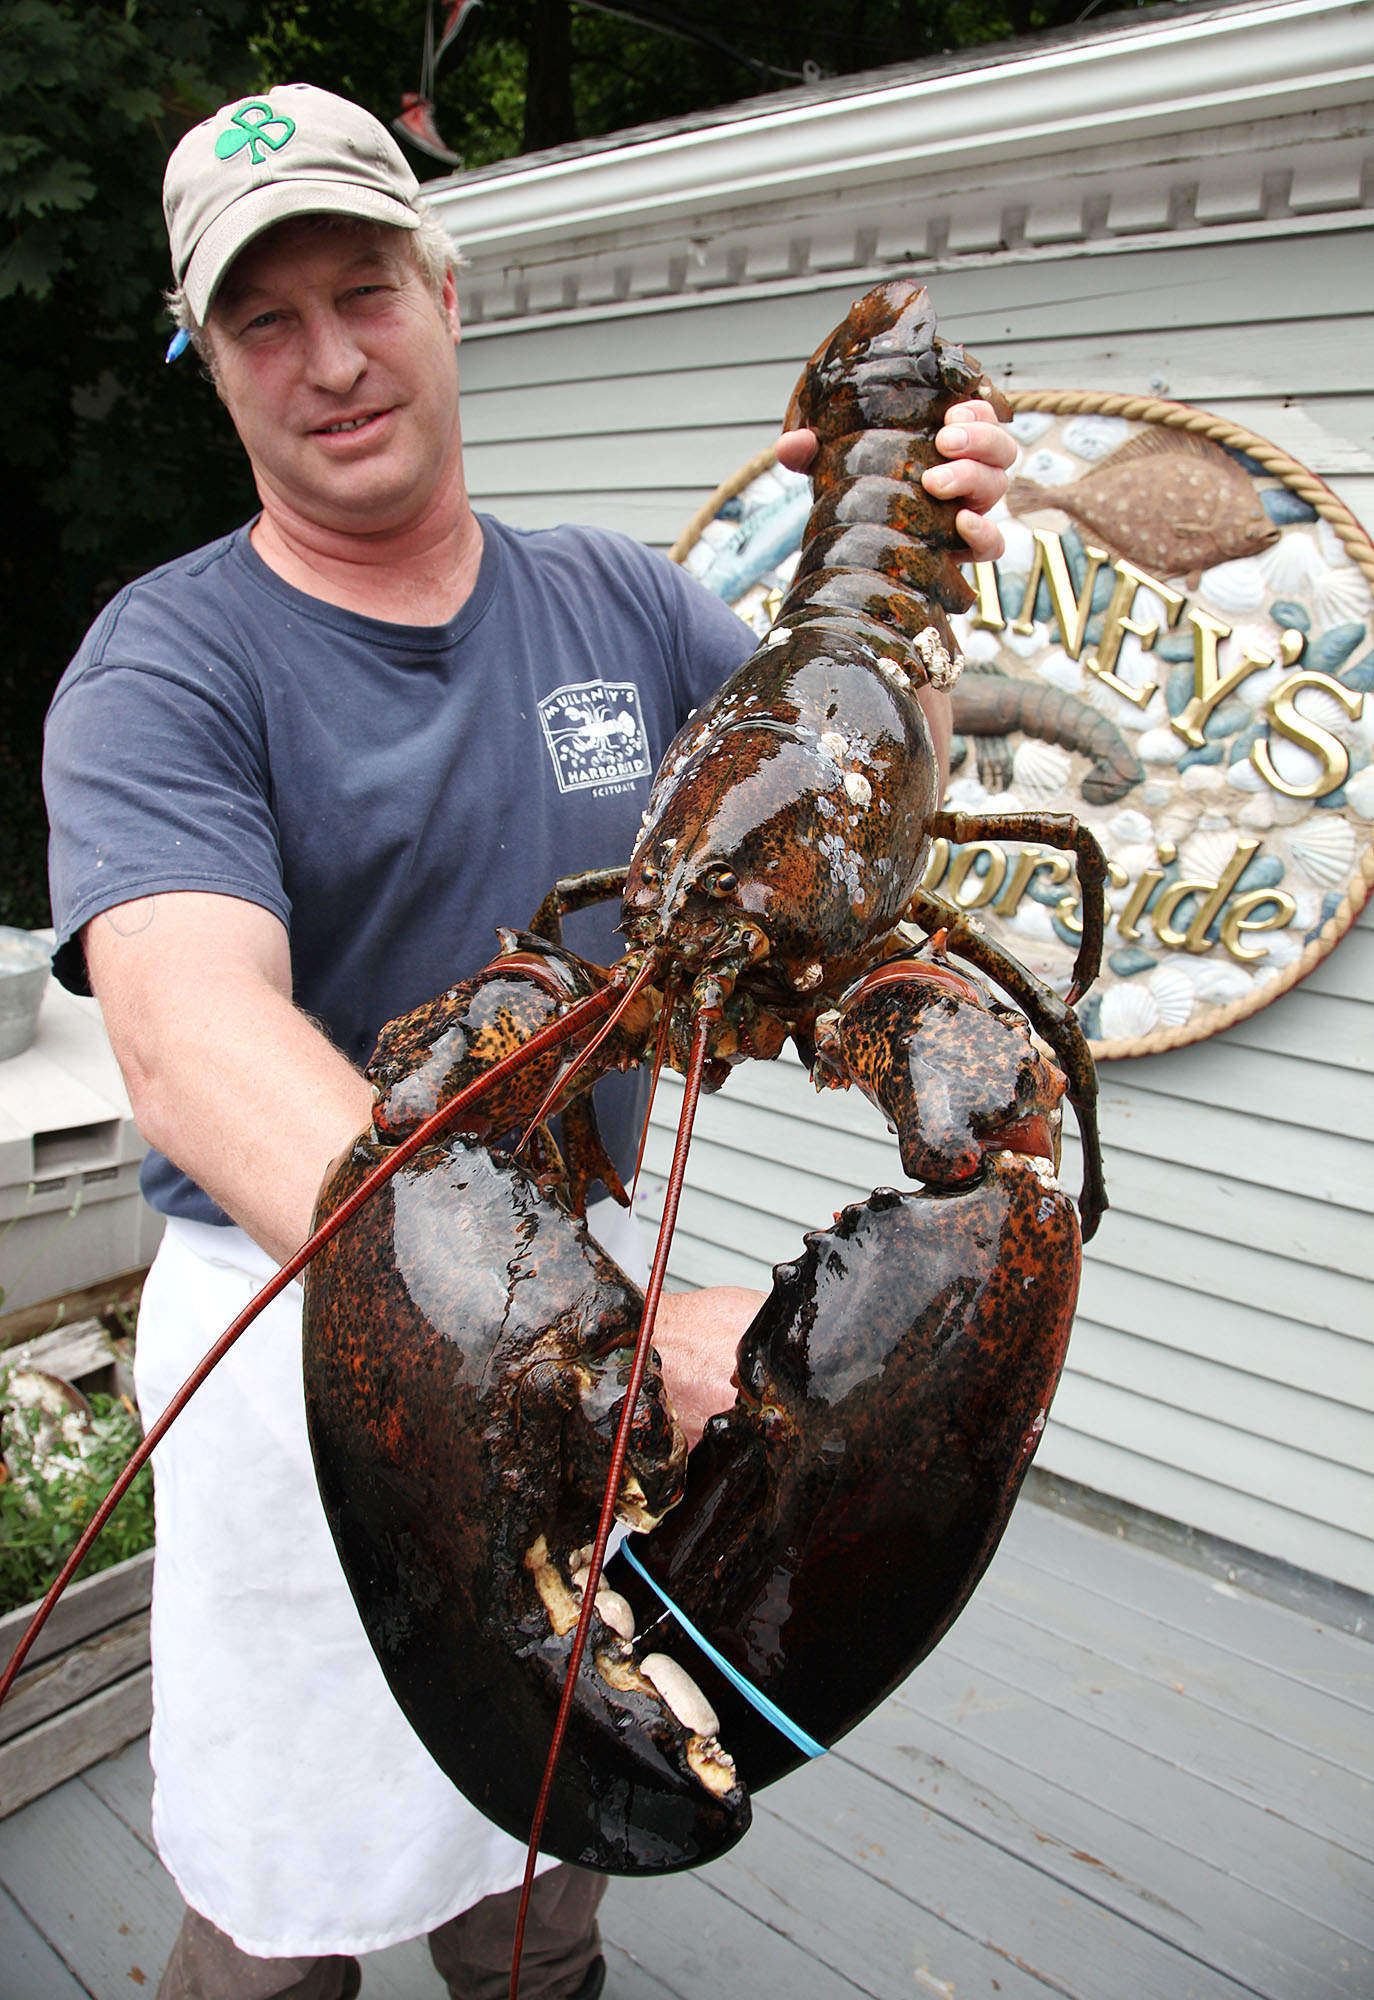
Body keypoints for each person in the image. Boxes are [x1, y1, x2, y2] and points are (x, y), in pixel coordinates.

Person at [42, 83, 1015, 2000]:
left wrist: (923, 536)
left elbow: (838, 784)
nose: (331, 361)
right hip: (304, 1316)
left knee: (559, 1832)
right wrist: (617, 1339)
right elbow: (186, 1033)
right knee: (285, 1887)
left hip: (581, 1300)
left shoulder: (624, 600)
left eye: (363, 292)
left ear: (444, 292)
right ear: (209, 365)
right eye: (264, 321)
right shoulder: (164, 662)